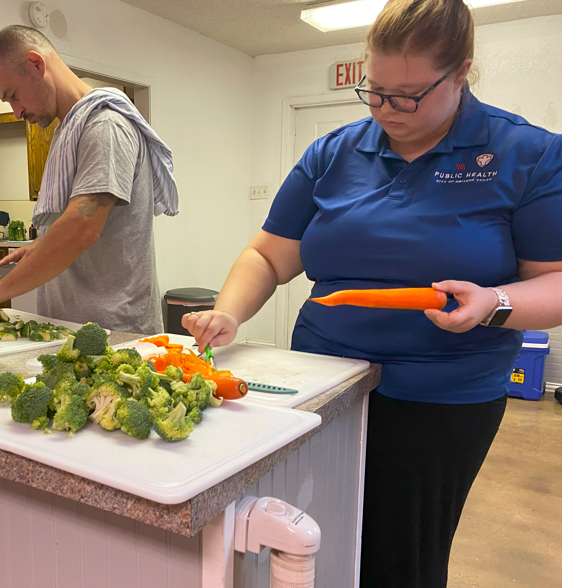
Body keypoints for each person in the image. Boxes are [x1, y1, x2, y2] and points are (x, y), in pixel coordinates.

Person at [183, 0, 562, 586]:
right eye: (375, 90)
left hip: (438, 398)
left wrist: (495, 304)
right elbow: (268, 254)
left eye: (408, 96)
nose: (388, 109)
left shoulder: (526, 154)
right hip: (320, 385)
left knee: (397, 555)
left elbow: (555, 281)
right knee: (304, 538)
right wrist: (229, 313)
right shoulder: (334, 152)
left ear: (460, 72)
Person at [0, 25, 178, 335]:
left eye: (13, 95)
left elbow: (82, 226)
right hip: (80, 328)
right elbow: (82, 221)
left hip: (115, 335)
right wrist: (42, 245)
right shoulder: (69, 130)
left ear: (36, 64)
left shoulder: (105, 126)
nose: (16, 111)